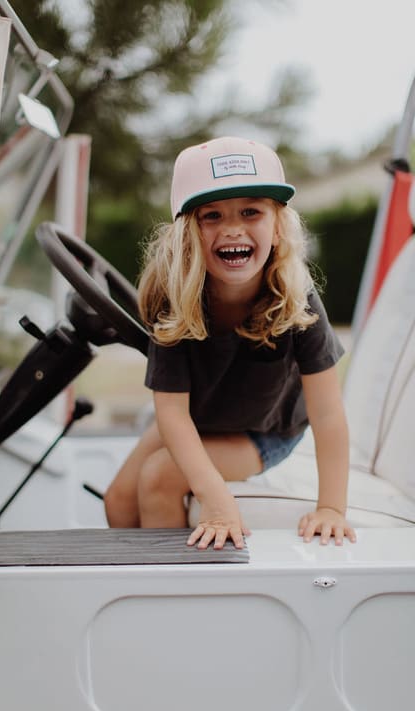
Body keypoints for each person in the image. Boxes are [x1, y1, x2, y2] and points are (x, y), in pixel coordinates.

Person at [104, 136, 357, 550]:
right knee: (118, 500)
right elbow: (171, 414)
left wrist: (331, 507)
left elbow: (327, 414)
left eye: (251, 211)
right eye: (212, 215)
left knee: (159, 477)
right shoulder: (175, 302)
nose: (233, 228)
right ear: (188, 234)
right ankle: (142, 595)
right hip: (200, 417)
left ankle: (178, 600)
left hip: (266, 431)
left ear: (277, 228)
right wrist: (214, 495)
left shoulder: (296, 300)